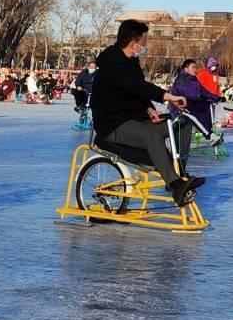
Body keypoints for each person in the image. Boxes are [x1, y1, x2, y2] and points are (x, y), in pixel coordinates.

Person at [93, 20, 202, 207]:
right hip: (112, 123)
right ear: (133, 42)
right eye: (144, 42)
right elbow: (136, 86)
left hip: (134, 119)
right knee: (152, 136)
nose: (145, 46)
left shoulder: (132, 62)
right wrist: (168, 96)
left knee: (181, 124)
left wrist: (150, 109)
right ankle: (175, 185)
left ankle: (180, 172)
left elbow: (136, 93)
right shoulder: (113, 62)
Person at [172, 57, 221, 141]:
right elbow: (187, 92)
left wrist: (216, 98)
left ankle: (210, 132)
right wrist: (198, 96)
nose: (195, 69)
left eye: (196, 67)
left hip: (192, 103)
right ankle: (208, 135)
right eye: (193, 67)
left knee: (206, 105)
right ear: (186, 69)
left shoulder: (194, 80)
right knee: (194, 113)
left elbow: (204, 91)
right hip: (180, 108)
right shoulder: (181, 79)